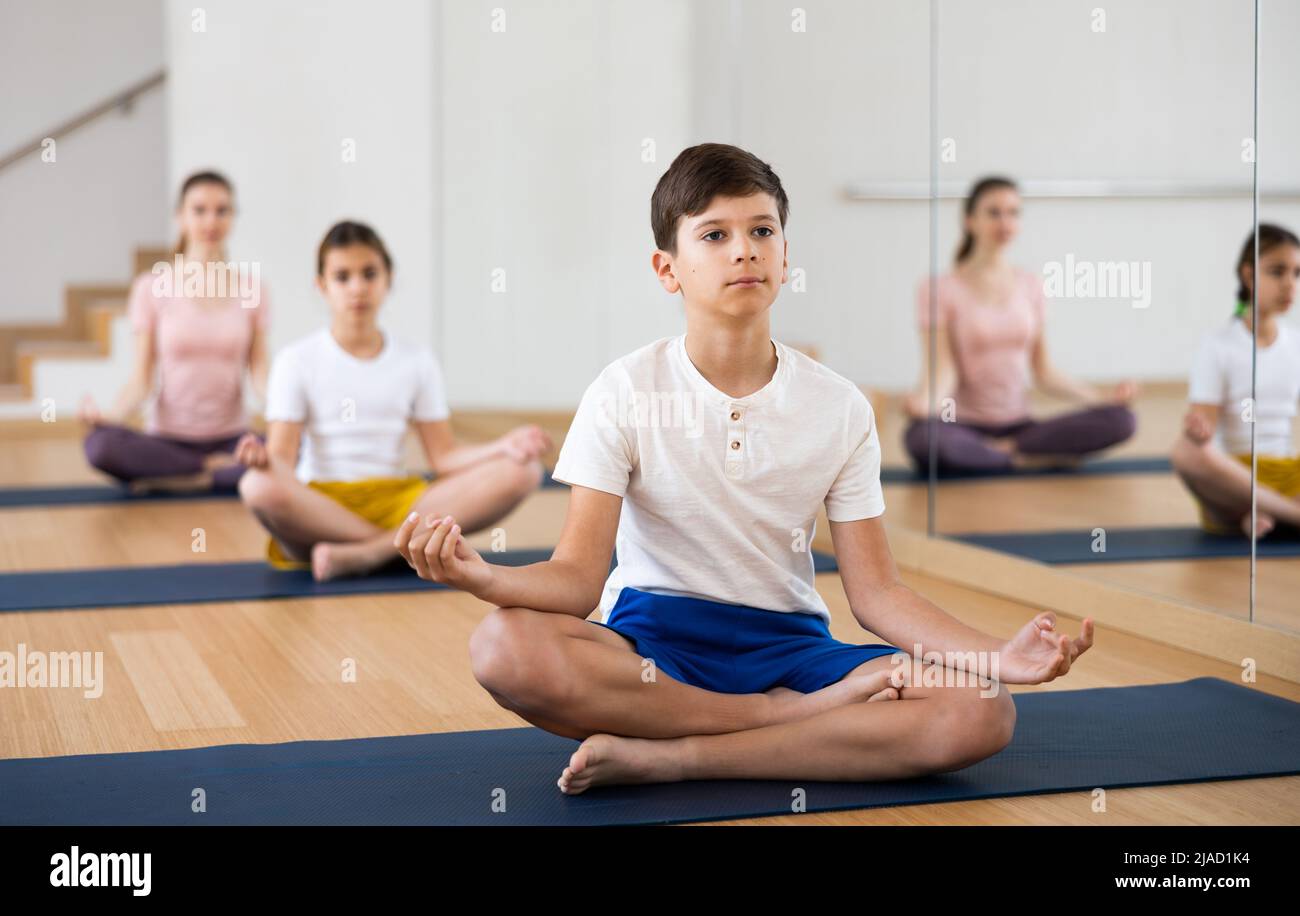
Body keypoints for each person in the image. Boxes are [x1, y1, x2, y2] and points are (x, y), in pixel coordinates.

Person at [394, 144, 1093, 794]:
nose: (745, 252)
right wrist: (481, 576)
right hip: (651, 645)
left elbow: (877, 593)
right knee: (504, 647)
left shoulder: (840, 406)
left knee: (981, 710)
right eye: (715, 235)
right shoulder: (624, 390)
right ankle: (775, 723)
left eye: (762, 232)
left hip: (790, 648)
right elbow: (577, 582)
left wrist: (996, 658)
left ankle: (677, 756)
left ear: (786, 256)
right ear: (667, 268)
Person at [236, 220, 550, 581]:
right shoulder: (296, 360)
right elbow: (282, 461)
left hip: (400, 502)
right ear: (321, 286)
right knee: (256, 486)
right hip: (321, 507)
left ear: (388, 279)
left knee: (523, 471)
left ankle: (370, 553)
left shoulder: (417, 360)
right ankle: (397, 548)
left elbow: (444, 457)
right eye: (343, 276)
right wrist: (263, 462)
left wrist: (502, 446)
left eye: (369, 274)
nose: (358, 287)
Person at [902, 176, 1137, 475]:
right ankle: (1025, 459)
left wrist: (1102, 399)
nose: (1005, 221)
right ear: (969, 220)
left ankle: (1000, 454)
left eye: (1014, 212)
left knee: (1122, 420)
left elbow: (1044, 371)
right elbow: (944, 369)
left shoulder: (1031, 285)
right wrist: (926, 405)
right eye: (994, 212)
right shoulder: (938, 288)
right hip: (960, 426)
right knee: (923, 440)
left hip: (1021, 427)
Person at [80, 171, 269, 492]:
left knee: (301, 445)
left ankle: (187, 478)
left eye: (222, 210)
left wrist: (290, 414)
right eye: (199, 210)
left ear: (233, 217)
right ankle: (211, 471)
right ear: (180, 216)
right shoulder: (150, 287)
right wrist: (110, 416)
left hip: (233, 440)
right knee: (100, 446)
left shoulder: (252, 288)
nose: (211, 220)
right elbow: (142, 379)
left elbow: (260, 373)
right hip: (167, 442)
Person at [1173, 224, 1300, 537]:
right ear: (1249, 275)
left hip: (1286, 476)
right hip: (1234, 477)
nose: (1290, 284)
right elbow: (1203, 428)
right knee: (1185, 452)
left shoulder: (1296, 343)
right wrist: (1199, 433)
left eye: (1296, 273)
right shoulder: (1217, 345)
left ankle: (1263, 514)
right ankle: (1285, 514)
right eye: (1277, 272)